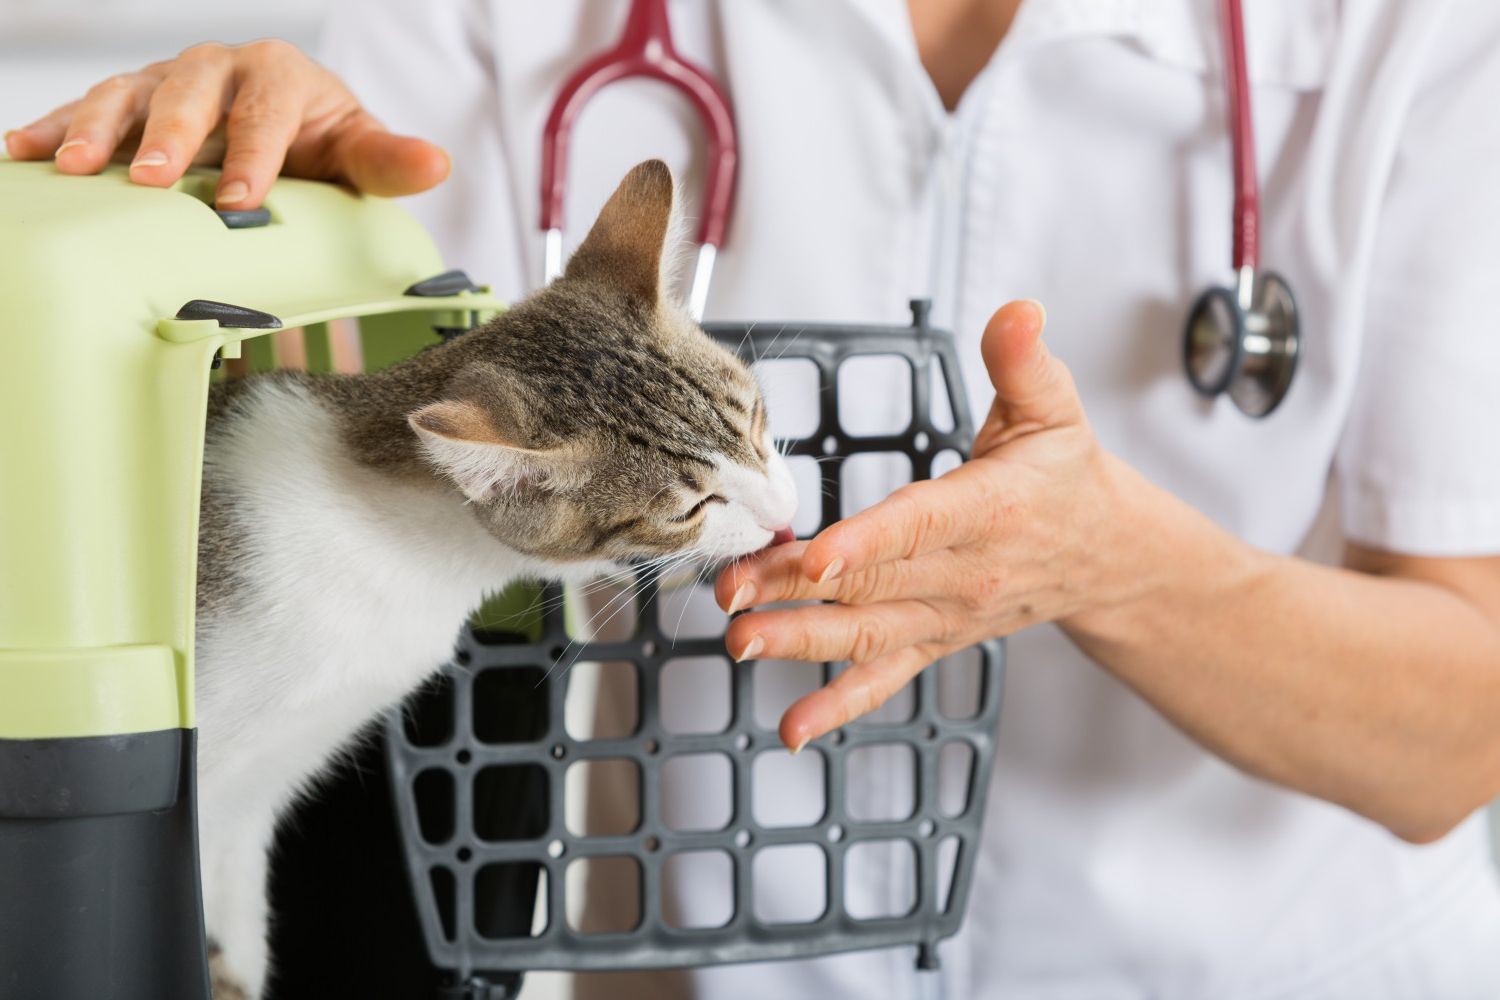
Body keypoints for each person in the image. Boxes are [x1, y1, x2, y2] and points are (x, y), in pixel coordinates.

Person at [11, 2, 1500, 997]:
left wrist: (1116, 570)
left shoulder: (1413, 41)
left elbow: (1463, 738)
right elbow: (343, 350)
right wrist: (261, 171)